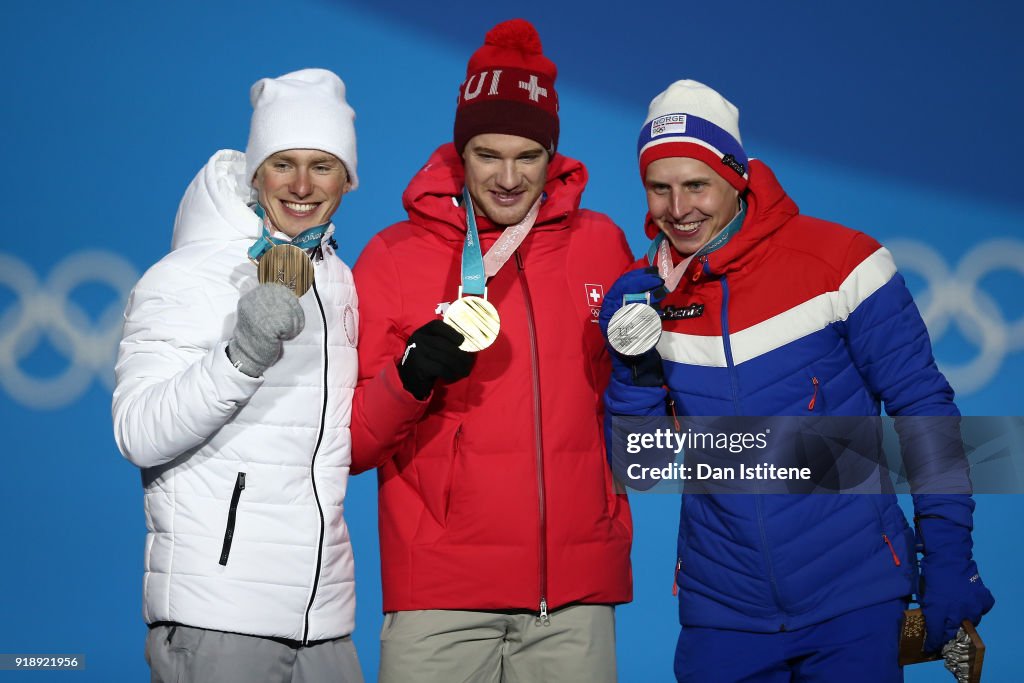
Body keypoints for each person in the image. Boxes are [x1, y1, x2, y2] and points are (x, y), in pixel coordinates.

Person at [600, 80, 994, 682]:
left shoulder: (843, 264)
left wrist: (948, 556)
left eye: (697, 185)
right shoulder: (646, 296)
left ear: (737, 177)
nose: (678, 209)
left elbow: (924, 411)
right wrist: (632, 364)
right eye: (660, 187)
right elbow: (643, 467)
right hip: (722, 611)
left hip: (853, 600)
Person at [350, 19, 634, 683]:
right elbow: (355, 443)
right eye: (486, 154)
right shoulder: (393, 257)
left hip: (573, 599)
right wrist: (411, 377)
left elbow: (641, 420)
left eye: (527, 156)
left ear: (553, 154)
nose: (507, 177)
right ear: (459, 151)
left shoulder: (602, 245)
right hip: (440, 598)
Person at [112, 68, 364, 683]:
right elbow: (136, 431)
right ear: (256, 173)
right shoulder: (188, 274)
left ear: (348, 180)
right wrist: (242, 354)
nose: (302, 185)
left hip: (323, 618)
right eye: (283, 163)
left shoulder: (337, 279)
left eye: (323, 165)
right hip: (218, 617)